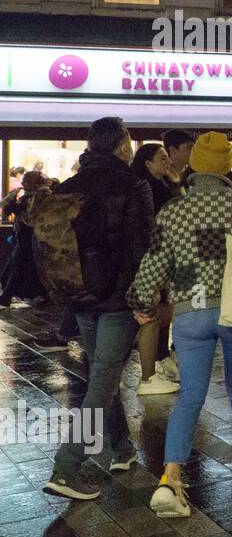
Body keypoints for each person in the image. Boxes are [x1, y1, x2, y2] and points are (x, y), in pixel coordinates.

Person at [127, 133, 232, 517]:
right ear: (227, 168)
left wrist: (141, 303)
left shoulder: (174, 211)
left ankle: (170, 478)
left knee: (190, 394)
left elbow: (154, 263)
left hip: (191, 312)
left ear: (193, 167)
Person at [41, 118, 154, 501]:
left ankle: (121, 449)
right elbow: (144, 246)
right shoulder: (133, 184)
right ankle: (67, 466)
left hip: (82, 297)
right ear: (123, 147)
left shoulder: (70, 186)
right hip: (119, 299)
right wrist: (145, 298)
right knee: (103, 382)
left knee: (102, 380)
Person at [129, 143, 181, 395]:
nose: (167, 161)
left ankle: (159, 361)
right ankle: (150, 372)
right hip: (154, 256)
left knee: (161, 311)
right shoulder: (146, 187)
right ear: (147, 162)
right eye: (162, 158)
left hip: (159, 256)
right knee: (152, 313)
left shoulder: (162, 184)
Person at [1, 171, 51, 306]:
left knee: (18, 268)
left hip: (32, 238)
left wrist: (16, 209)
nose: (23, 183)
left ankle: (7, 295)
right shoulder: (27, 197)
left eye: (27, 180)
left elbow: (34, 218)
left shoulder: (42, 197)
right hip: (24, 237)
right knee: (20, 268)